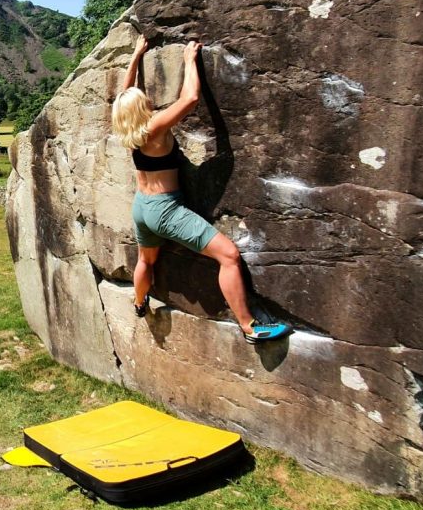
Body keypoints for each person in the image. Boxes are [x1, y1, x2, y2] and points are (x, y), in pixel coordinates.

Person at [110, 35, 290, 344]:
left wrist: (137, 55)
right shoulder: (154, 128)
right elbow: (190, 99)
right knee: (229, 256)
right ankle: (250, 327)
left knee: (146, 261)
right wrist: (189, 61)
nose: (149, 99)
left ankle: (140, 303)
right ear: (142, 109)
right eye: (144, 99)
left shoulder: (130, 128)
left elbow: (125, 92)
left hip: (142, 206)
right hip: (166, 210)